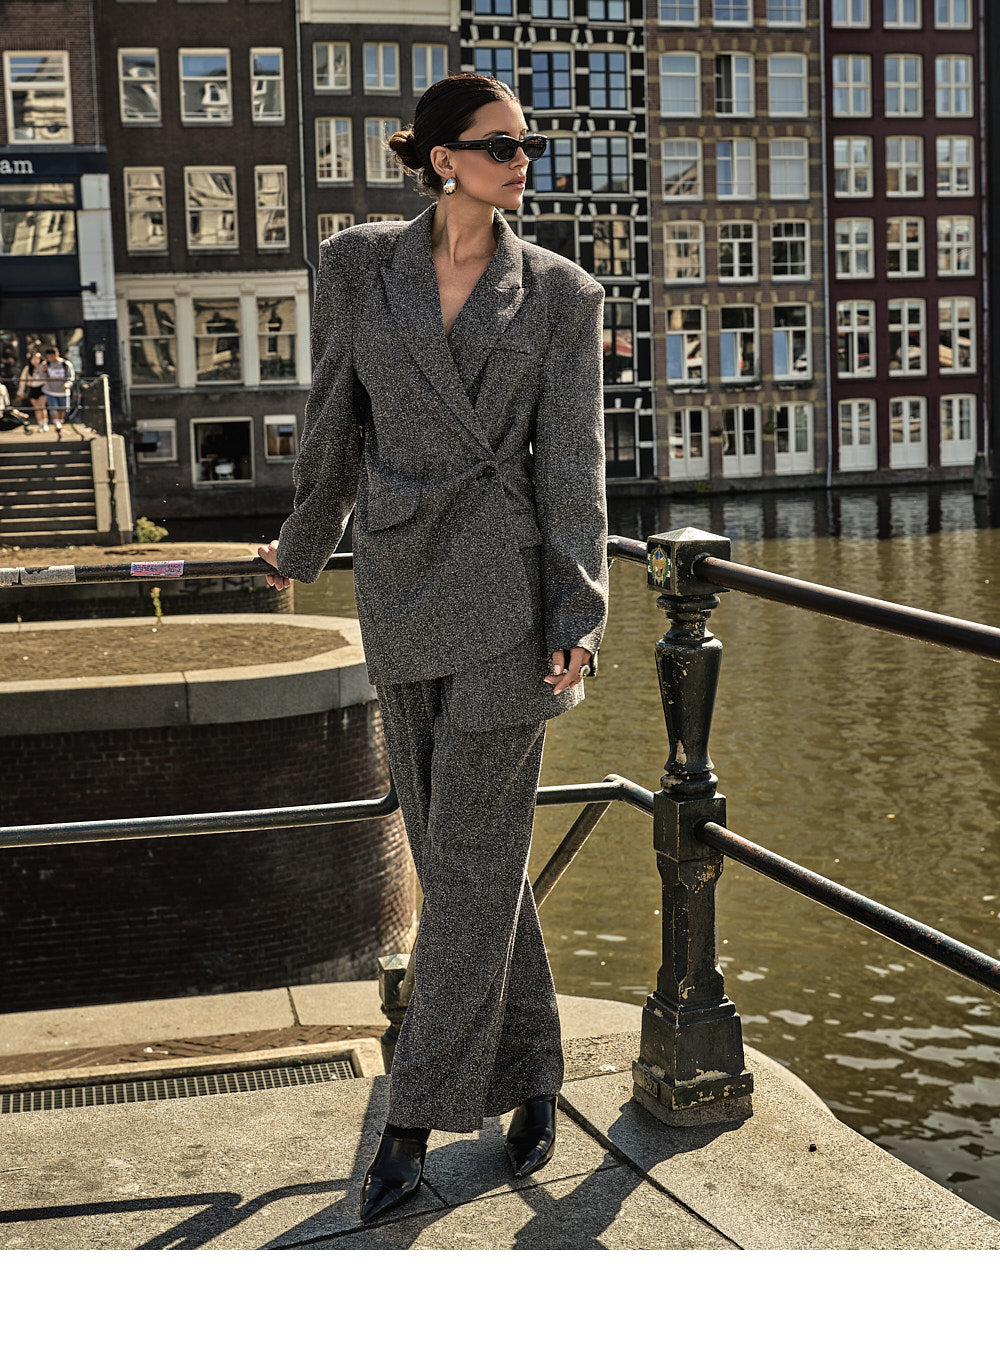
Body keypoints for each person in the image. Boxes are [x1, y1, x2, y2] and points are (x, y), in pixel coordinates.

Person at [258, 73, 608, 1225]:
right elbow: (332, 417)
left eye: (528, 145)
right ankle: (535, 1068)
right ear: (443, 159)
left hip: (509, 595)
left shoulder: (560, 293)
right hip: (401, 584)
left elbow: (573, 467)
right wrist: (303, 544)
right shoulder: (358, 264)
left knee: (462, 866)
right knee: (462, 857)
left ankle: (407, 1124)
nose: (523, 162)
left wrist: (578, 612)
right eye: (502, 146)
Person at [41, 345, 75, 438]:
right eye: (48, 357)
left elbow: (71, 377)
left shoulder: (65, 364)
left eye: (52, 356)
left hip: (63, 391)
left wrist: (68, 384)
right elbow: (41, 378)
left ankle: (60, 422)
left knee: (62, 408)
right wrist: (43, 371)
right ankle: (56, 423)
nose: (50, 358)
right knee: (53, 407)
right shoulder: (46, 364)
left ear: (57, 354)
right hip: (50, 390)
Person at [16, 349, 48, 434]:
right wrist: (21, 392)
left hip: (42, 388)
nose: (36, 360)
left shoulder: (44, 366)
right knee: (36, 407)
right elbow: (22, 380)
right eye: (34, 358)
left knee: (42, 406)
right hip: (33, 389)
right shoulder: (27, 369)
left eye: (37, 358)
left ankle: (45, 424)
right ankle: (40, 424)